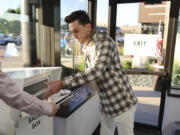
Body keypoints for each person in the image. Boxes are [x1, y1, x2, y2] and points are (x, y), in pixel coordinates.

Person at [43, 10, 138, 135]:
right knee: (105, 132)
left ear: (88, 27)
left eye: (76, 31)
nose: (74, 36)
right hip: (106, 105)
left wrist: (62, 82)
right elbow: (90, 73)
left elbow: (96, 71)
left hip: (122, 103)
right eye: (72, 33)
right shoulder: (87, 47)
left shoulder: (104, 42)